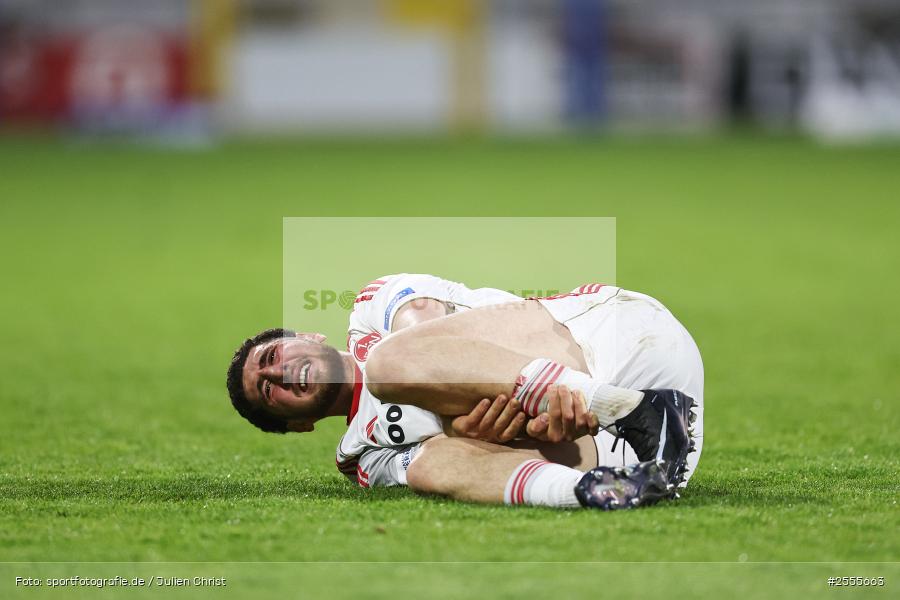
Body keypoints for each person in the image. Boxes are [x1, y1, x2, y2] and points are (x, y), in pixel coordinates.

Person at [226, 274, 703, 510]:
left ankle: (631, 409)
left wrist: (457, 421)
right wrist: (492, 438)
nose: (281, 377)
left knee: (388, 365)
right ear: (298, 425)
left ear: (309, 337)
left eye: (272, 360)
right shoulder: (362, 457)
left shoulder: (370, 310)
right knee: (429, 464)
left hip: (613, 334)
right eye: (269, 393)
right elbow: (454, 466)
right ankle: (594, 492)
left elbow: (431, 332)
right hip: (630, 454)